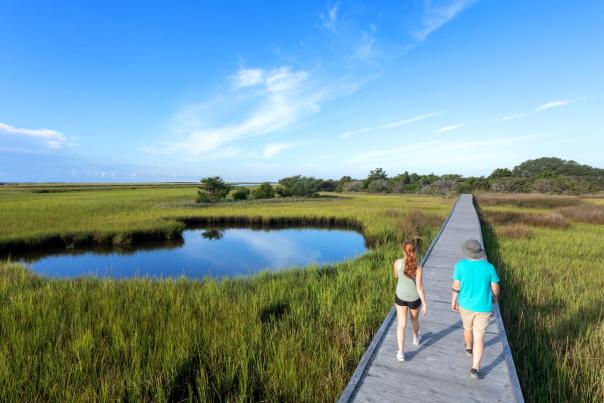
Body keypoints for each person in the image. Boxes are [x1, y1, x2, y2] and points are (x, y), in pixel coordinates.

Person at [451, 239, 500, 379]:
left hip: (465, 305)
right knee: (480, 336)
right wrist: (495, 298)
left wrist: (453, 300)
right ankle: (475, 368)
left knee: (467, 328)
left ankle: (468, 348)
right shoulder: (489, 267)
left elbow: (456, 285)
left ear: (467, 252)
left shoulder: (460, 265)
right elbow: (495, 287)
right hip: (484, 306)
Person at [393, 241, 427, 362]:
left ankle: (401, 353)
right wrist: (424, 303)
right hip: (414, 299)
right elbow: (419, 287)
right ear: (414, 252)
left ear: (403, 252)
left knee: (401, 324)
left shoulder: (397, 263)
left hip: (400, 297)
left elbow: (396, 276)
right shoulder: (418, 268)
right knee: (414, 320)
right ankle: (415, 338)